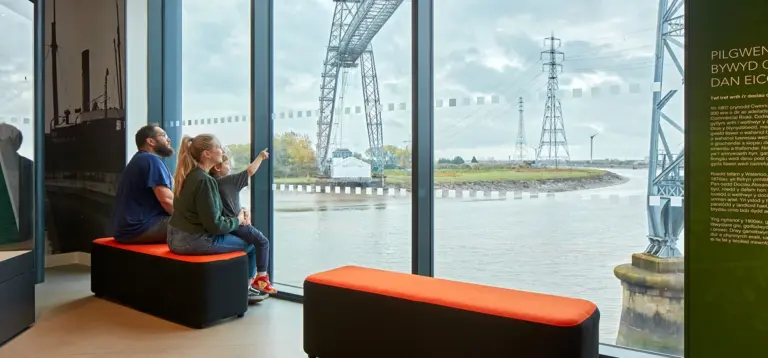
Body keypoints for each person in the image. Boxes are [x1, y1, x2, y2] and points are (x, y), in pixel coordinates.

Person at [167, 134, 266, 304]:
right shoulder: (205, 181)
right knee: (252, 244)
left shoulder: (188, 176)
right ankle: (245, 290)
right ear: (207, 154)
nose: (222, 150)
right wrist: (238, 219)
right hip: (192, 241)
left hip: (174, 238)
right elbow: (215, 226)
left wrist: (239, 212)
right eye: (219, 147)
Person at [209, 150, 276, 295]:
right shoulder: (228, 180)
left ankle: (248, 285)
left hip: (225, 225)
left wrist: (244, 210)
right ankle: (261, 278)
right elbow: (250, 171)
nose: (231, 167)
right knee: (263, 242)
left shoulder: (210, 182)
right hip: (237, 224)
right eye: (228, 164)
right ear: (217, 167)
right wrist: (260, 157)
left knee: (252, 245)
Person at [111, 124, 175, 244]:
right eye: (163, 135)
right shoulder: (151, 160)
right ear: (150, 141)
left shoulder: (139, 159)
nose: (168, 139)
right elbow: (166, 200)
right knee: (198, 225)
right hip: (140, 228)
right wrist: (187, 220)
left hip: (125, 230)